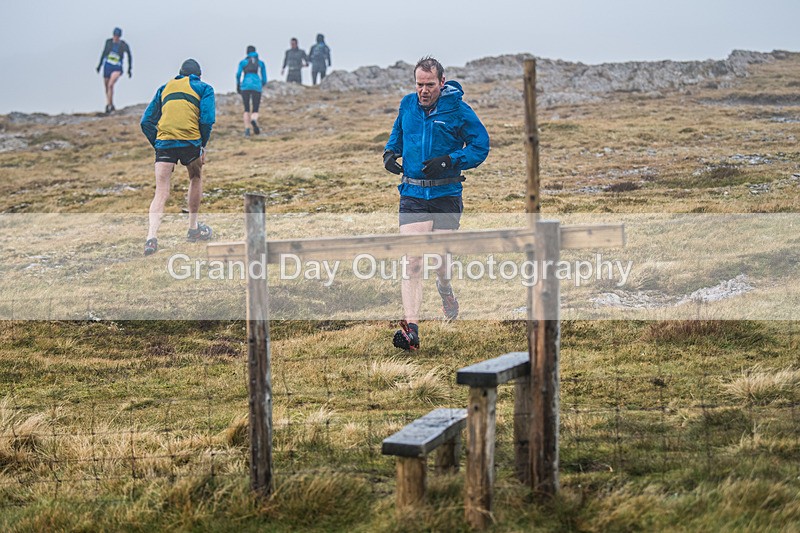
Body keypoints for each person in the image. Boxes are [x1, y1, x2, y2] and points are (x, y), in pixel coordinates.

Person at [383, 56, 490, 351]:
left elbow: (481, 145)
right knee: (413, 260)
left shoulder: (457, 109)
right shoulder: (407, 104)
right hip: (413, 194)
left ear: (442, 83)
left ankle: (445, 290)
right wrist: (390, 153)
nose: (424, 90)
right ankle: (412, 331)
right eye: (419, 84)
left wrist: (450, 161)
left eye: (430, 84)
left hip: (446, 195)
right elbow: (398, 135)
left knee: (441, 260)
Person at [140, 59, 216, 256]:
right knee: (195, 177)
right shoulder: (204, 88)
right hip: (191, 142)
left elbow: (146, 121)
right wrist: (202, 145)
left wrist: (157, 144)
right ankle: (193, 229)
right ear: (198, 75)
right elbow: (207, 120)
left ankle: (151, 238)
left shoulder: (164, 89)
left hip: (164, 142)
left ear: (180, 73)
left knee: (161, 191)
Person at [96, 27, 132, 114]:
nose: (116, 38)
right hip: (107, 67)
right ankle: (110, 104)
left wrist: (129, 69)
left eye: (117, 36)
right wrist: (99, 65)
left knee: (111, 85)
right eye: (115, 36)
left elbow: (129, 56)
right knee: (106, 87)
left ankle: (108, 106)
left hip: (117, 68)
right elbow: (104, 53)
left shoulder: (123, 45)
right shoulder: (108, 42)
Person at [236, 45, 267, 137]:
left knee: (246, 109)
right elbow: (264, 77)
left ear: (247, 52)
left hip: (245, 86)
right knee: (255, 108)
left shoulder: (243, 62)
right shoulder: (260, 63)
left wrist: (238, 85)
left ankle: (247, 130)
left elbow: (238, 74)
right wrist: (261, 84)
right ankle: (253, 120)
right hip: (257, 86)